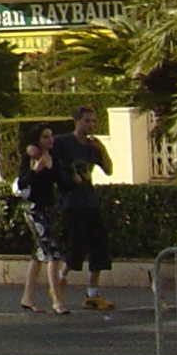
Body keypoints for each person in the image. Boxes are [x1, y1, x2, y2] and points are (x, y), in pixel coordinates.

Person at [49, 105, 115, 310]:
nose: (91, 125)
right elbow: (47, 156)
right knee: (78, 246)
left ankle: (92, 293)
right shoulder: (63, 142)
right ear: (77, 122)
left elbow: (109, 170)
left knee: (99, 246)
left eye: (94, 121)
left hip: (89, 200)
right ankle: (60, 278)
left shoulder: (91, 146)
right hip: (71, 202)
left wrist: (101, 149)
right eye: (87, 121)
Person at [11, 126, 66, 315]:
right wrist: (36, 169)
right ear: (37, 140)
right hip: (35, 209)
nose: (50, 140)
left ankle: (28, 297)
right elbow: (23, 182)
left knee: (38, 254)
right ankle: (57, 301)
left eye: (51, 136)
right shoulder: (30, 158)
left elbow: (60, 181)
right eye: (45, 137)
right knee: (52, 252)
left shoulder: (53, 157)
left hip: (48, 208)